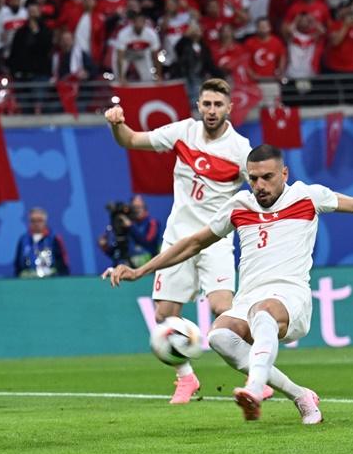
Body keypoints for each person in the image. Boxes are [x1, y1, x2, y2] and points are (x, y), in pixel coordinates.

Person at [105, 144, 353, 423]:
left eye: (267, 177)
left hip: (290, 297)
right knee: (220, 336)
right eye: (253, 179)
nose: (260, 186)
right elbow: (194, 242)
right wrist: (140, 271)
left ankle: (253, 390)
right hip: (249, 298)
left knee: (263, 312)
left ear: (284, 173)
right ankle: (301, 396)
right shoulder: (239, 205)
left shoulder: (307, 196)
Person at [103, 78, 251, 404]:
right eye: (207, 104)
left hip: (214, 241)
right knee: (163, 315)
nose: (212, 110)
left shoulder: (241, 150)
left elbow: (264, 189)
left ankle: (256, 377)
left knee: (222, 310)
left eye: (218, 105)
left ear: (229, 108)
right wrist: (118, 124)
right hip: (177, 238)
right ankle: (186, 378)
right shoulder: (183, 131)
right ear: (199, 105)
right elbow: (130, 140)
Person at [14, 207, 71, 278]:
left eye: (39, 220)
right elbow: (18, 264)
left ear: (45, 221)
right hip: (28, 280)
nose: (36, 224)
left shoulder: (54, 238)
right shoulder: (23, 240)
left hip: (51, 280)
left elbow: (63, 263)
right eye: (33, 221)